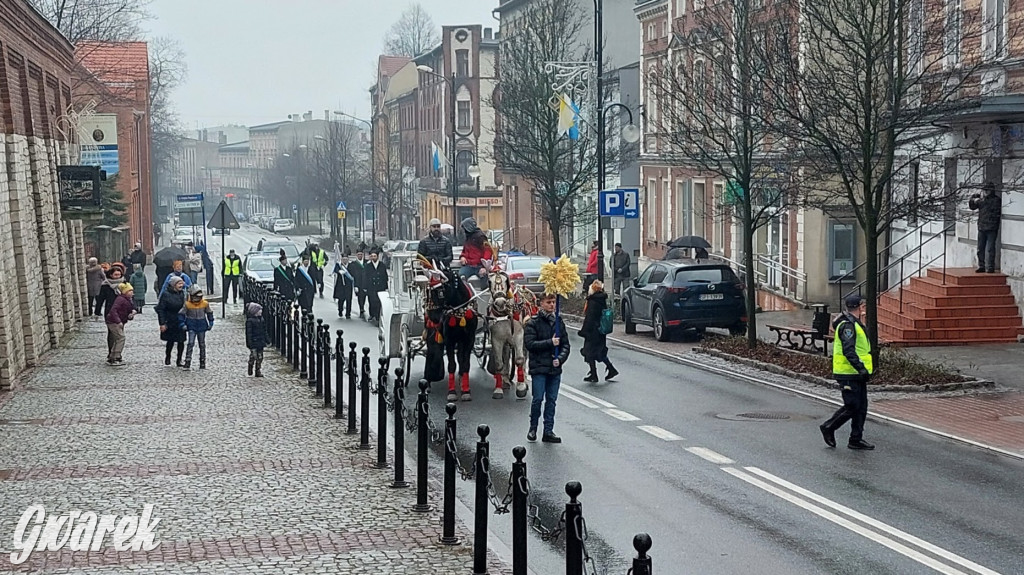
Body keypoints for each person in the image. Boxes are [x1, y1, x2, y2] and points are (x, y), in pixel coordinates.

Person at [820, 295, 875, 451]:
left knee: (861, 407)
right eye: (863, 306)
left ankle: (856, 439)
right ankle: (828, 427)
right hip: (848, 372)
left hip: (856, 373)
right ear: (861, 306)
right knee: (852, 406)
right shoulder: (848, 326)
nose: (865, 308)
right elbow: (848, 350)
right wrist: (861, 368)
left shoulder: (856, 323)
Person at [523, 293, 571, 444]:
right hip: (539, 368)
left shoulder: (558, 322)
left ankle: (548, 430)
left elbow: (565, 345)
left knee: (551, 400)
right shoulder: (533, 323)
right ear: (541, 304)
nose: (552, 305)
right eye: (548, 302)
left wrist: (560, 359)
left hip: (554, 369)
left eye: (553, 302)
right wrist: (550, 342)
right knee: (537, 399)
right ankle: (533, 428)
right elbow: (530, 344)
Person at [578, 280, 618, 382]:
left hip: (592, 332)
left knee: (590, 352)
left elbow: (590, 319)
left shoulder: (593, 301)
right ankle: (606, 369)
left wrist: (584, 331)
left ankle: (596, 373)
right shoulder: (601, 299)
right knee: (598, 352)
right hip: (600, 331)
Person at [179, 285, 214, 370]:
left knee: (202, 344)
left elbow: (209, 313)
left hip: (201, 325)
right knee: (190, 343)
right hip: (191, 325)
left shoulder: (205, 304)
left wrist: (211, 322)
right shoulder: (187, 304)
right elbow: (181, 314)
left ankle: (202, 361)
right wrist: (182, 324)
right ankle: (188, 361)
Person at [969, 182, 1001, 273]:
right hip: (982, 227)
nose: (985, 192)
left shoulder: (996, 200)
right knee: (980, 248)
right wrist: (973, 198)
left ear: (991, 190)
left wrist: (977, 200)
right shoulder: (982, 200)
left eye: (987, 190)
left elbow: (989, 205)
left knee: (990, 248)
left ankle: (991, 266)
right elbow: (972, 207)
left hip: (991, 228)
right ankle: (981, 265)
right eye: (984, 190)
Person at [156, 276, 187, 367]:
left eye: (182, 283)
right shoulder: (166, 294)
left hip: (180, 320)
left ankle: (179, 359)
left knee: (181, 341)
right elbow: (161, 309)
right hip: (170, 320)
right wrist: (162, 323)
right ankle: (168, 356)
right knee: (170, 341)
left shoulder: (183, 294)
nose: (181, 285)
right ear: (174, 285)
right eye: (179, 283)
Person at [104, 283, 136, 366]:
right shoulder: (120, 299)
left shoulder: (128, 300)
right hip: (113, 322)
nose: (132, 293)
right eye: (130, 291)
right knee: (121, 338)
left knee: (118, 338)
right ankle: (115, 356)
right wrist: (118, 321)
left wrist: (131, 314)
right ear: (125, 292)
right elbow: (113, 311)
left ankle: (113, 356)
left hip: (118, 321)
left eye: (132, 291)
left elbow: (126, 312)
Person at [458, 218, 494, 285]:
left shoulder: (480, 237)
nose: (464, 231)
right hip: (468, 265)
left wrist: (484, 267)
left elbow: (488, 251)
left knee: (484, 278)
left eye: (464, 228)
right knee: (460, 277)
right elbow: (464, 251)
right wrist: (462, 257)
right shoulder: (467, 238)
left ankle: (484, 293)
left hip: (479, 266)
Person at [365, 248, 389, 323]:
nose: (373, 258)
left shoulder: (382, 265)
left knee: (379, 302)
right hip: (371, 287)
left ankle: (378, 315)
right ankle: (372, 314)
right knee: (371, 301)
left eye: (374, 256)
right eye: (372, 256)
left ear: (377, 257)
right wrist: (365, 287)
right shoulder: (368, 266)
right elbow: (365, 277)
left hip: (380, 287)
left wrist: (386, 287)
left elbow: (385, 277)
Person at [245, 302, 267, 377]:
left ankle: (258, 370)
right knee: (254, 356)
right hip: (254, 341)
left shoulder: (262, 320)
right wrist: (249, 343)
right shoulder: (250, 321)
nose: (261, 312)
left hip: (260, 341)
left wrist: (266, 339)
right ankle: (250, 365)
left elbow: (264, 330)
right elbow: (248, 333)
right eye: (259, 310)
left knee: (260, 357)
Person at [349, 248, 368, 319]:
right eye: (358, 254)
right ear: (356, 255)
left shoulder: (366, 263)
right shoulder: (354, 264)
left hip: (365, 283)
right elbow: (351, 274)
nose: (360, 256)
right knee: (360, 297)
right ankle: (361, 308)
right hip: (358, 283)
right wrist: (355, 286)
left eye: (361, 254)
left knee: (364, 297)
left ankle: (362, 307)